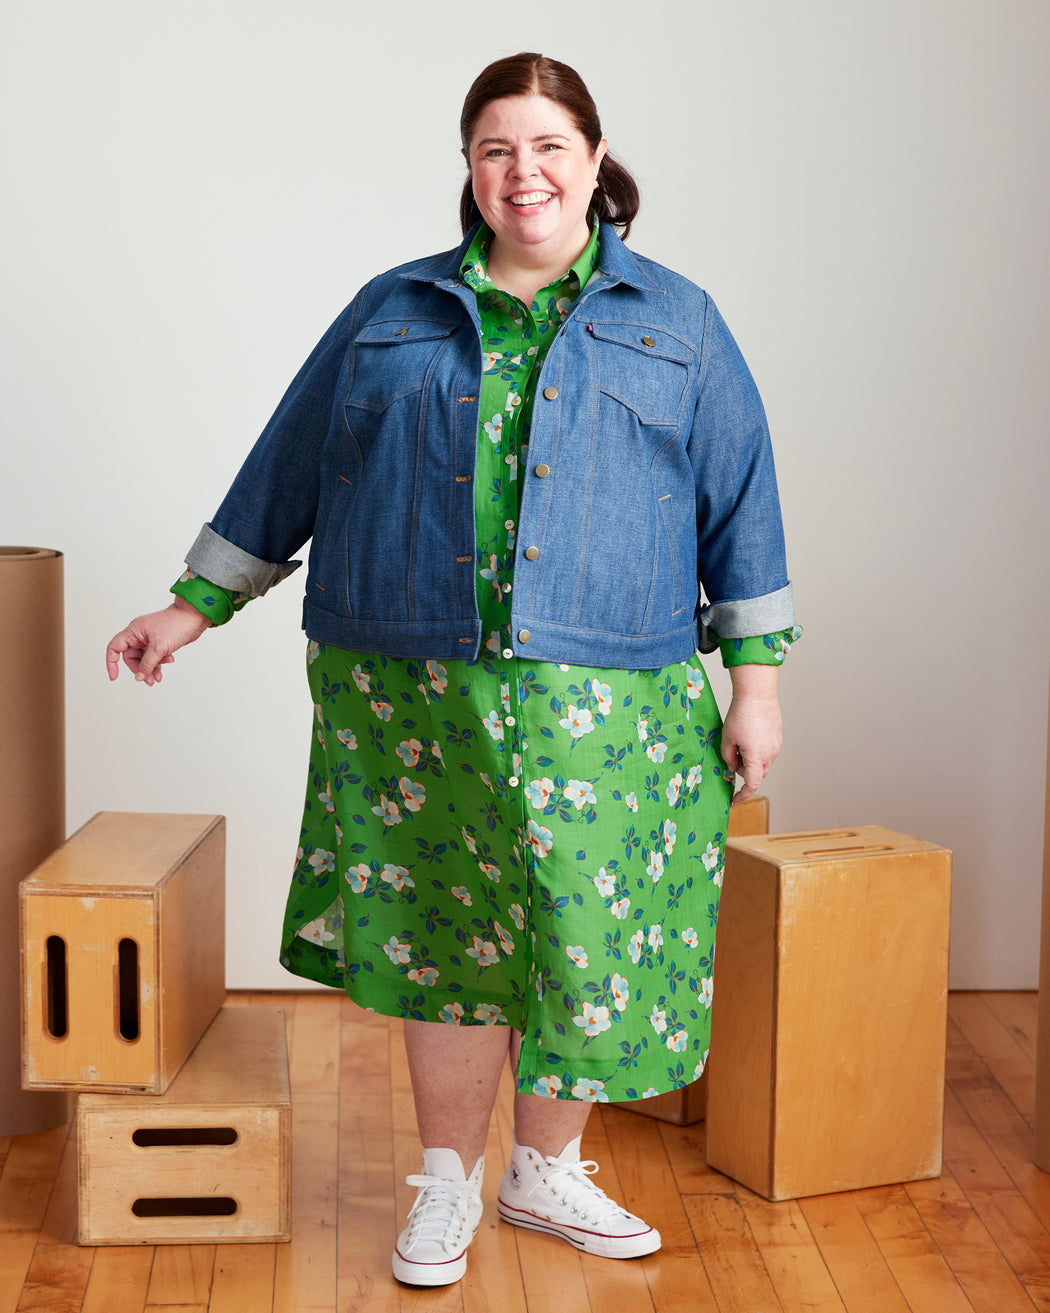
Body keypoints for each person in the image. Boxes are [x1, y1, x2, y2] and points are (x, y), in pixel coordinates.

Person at [107, 52, 799, 1287]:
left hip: (615, 695)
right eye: (495, 150)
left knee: (584, 936)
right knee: (448, 936)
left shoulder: (679, 320)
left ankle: (546, 1174)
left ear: (594, 158)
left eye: (546, 146)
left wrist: (757, 682)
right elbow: (291, 460)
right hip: (412, 687)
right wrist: (193, 604)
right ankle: (446, 1184)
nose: (521, 173)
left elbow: (741, 502)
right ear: (470, 172)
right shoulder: (393, 309)